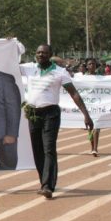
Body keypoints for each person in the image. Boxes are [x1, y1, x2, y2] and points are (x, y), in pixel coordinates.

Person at [20, 44, 94, 199]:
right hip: (33, 113)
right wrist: (11, 45)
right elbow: (8, 63)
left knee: (49, 149)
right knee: (37, 150)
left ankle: (48, 186)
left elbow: (74, 94)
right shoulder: (29, 68)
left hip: (50, 114)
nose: (41, 55)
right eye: (39, 52)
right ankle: (43, 182)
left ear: (51, 55)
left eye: (44, 53)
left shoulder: (60, 72)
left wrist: (86, 115)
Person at [84, 58, 103, 156]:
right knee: (90, 128)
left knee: (97, 126)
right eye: (90, 64)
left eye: (94, 64)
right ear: (87, 66)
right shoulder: (82, 78)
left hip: (98, 105)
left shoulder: (101, 78)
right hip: (87, 106)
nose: (92, 65)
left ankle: (95, 148)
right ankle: (92, 147)